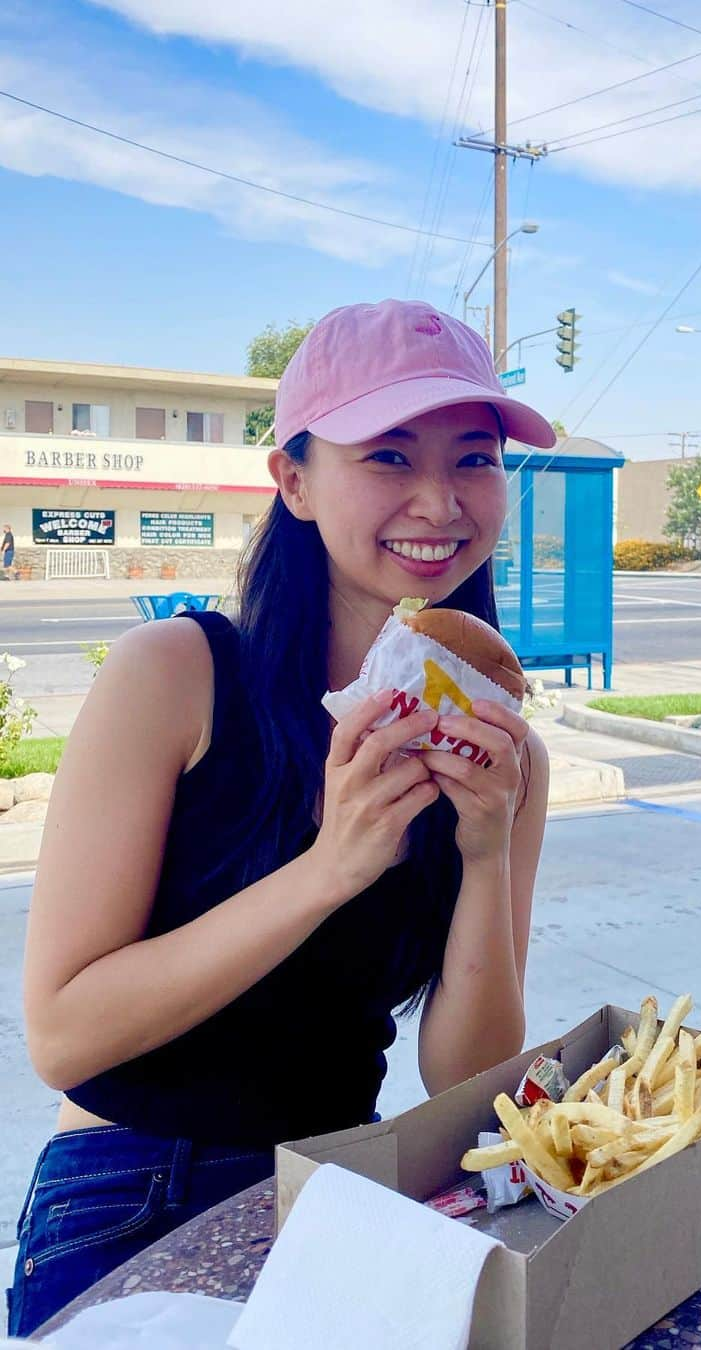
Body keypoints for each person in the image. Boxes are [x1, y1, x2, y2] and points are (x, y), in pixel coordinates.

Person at [7, 300, 555, 1338]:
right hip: (138, 1185)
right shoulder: (177, 675)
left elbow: (465, 1076)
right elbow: (65, 1034)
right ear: (294, 481)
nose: (439, 500)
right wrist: (331, 867)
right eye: (389, 457)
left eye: (473, 459)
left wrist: (485, 854)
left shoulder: (504, 746)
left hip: (350, 1186)